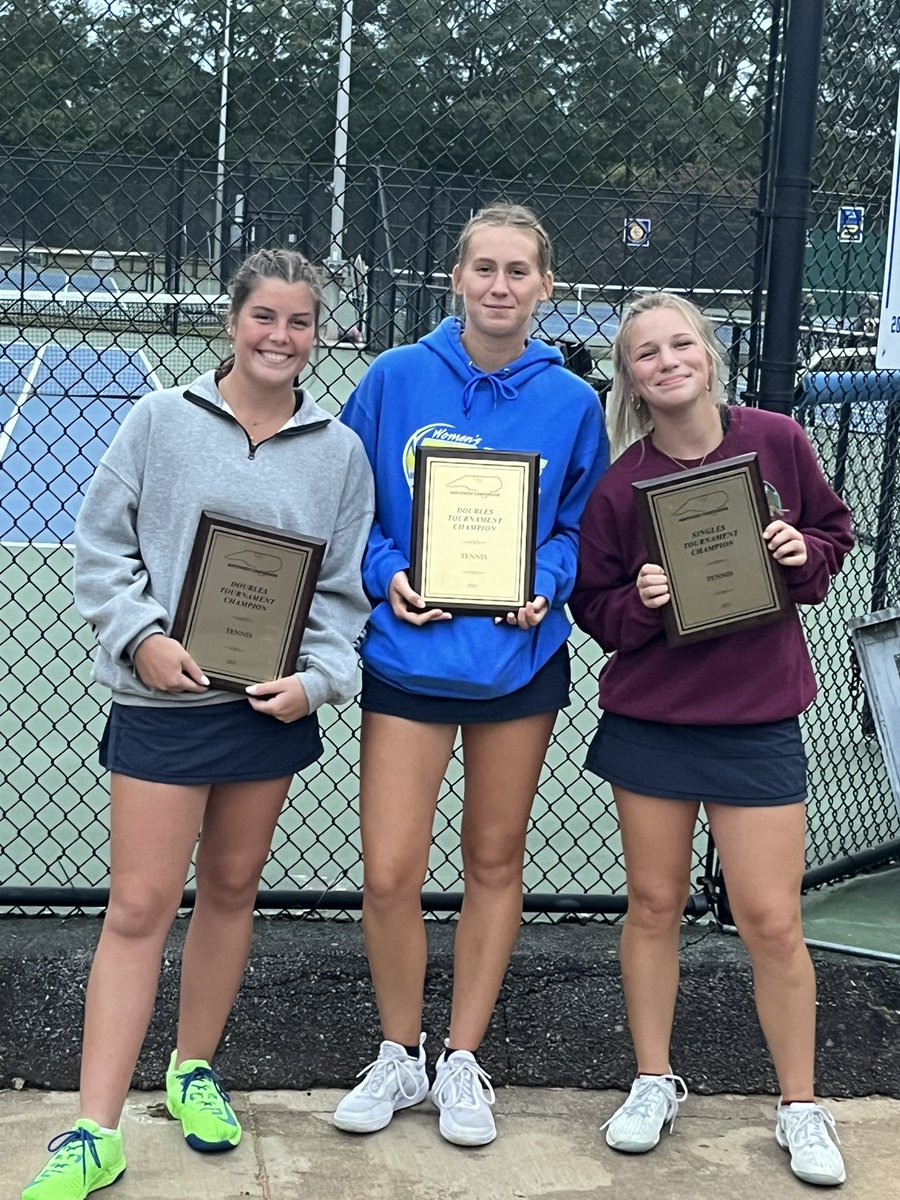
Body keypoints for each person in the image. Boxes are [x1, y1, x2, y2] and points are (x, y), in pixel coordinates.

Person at [21, 248, 374, 1200]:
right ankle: (94, 1129)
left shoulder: (339, 452)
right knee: (138, 908)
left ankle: (192, 1070)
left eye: (299, 323)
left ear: (317, 335)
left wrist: (319, 679)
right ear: (233, 321)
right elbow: (103, 547)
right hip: (163, 701)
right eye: (265, 316)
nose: (280, 336)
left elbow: (343, 594)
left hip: (267, 711)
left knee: (229, 889)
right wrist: (139, 640)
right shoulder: (158, 422)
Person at [332, 203, 607, 1147]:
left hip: (517, 662)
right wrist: (386, 577)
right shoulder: (395, 378)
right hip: (407, 659)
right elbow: (351, 510)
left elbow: (580, 526)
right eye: (483, 268)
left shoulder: (572, 401)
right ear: (456, 278)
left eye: (518, 271)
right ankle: (397, 1052)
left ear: (545, 286)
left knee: (495, 860)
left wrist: (545, 581)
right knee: (390, 871)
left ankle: (460, 1058)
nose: (499, 286)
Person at [569, 292, 853, 1187]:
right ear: (632, 379)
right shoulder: (620, 486)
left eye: (679, 343)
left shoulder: (778, 442)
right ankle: (653, 1080)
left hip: (757, 719)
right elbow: (596, 608)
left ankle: (800, 1106)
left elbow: (831, 535)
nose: (666, 361)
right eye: (646, 353)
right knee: (653, 907)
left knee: (771, 919)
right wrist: (641, 604)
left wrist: (803, 554)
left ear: (708, 353)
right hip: (653, 722)